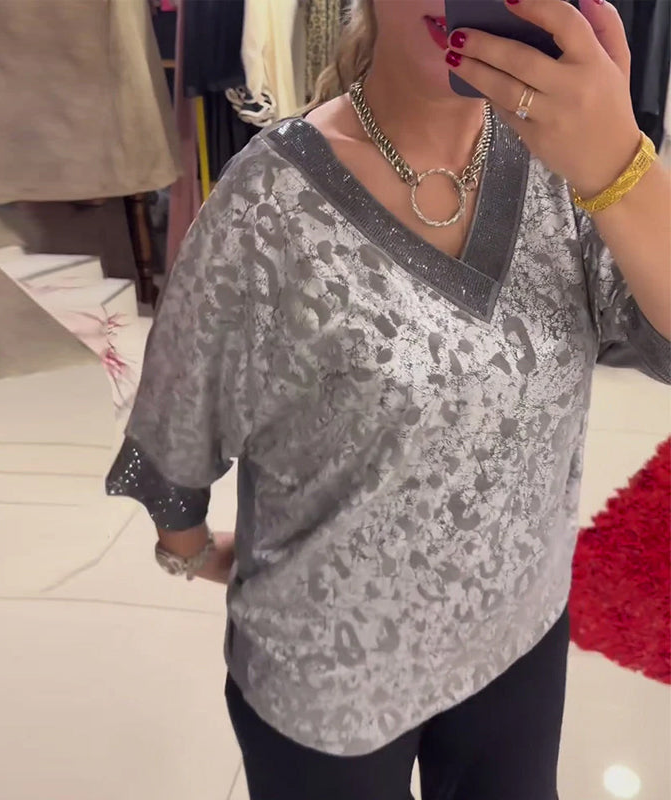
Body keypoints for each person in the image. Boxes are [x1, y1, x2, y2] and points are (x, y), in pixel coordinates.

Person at [107, 1, 671, 797]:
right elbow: (177, 428)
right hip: (327, 679)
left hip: (518, 636)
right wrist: (194, 551)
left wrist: (619, 168)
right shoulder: (268, 204)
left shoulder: (569, 167)